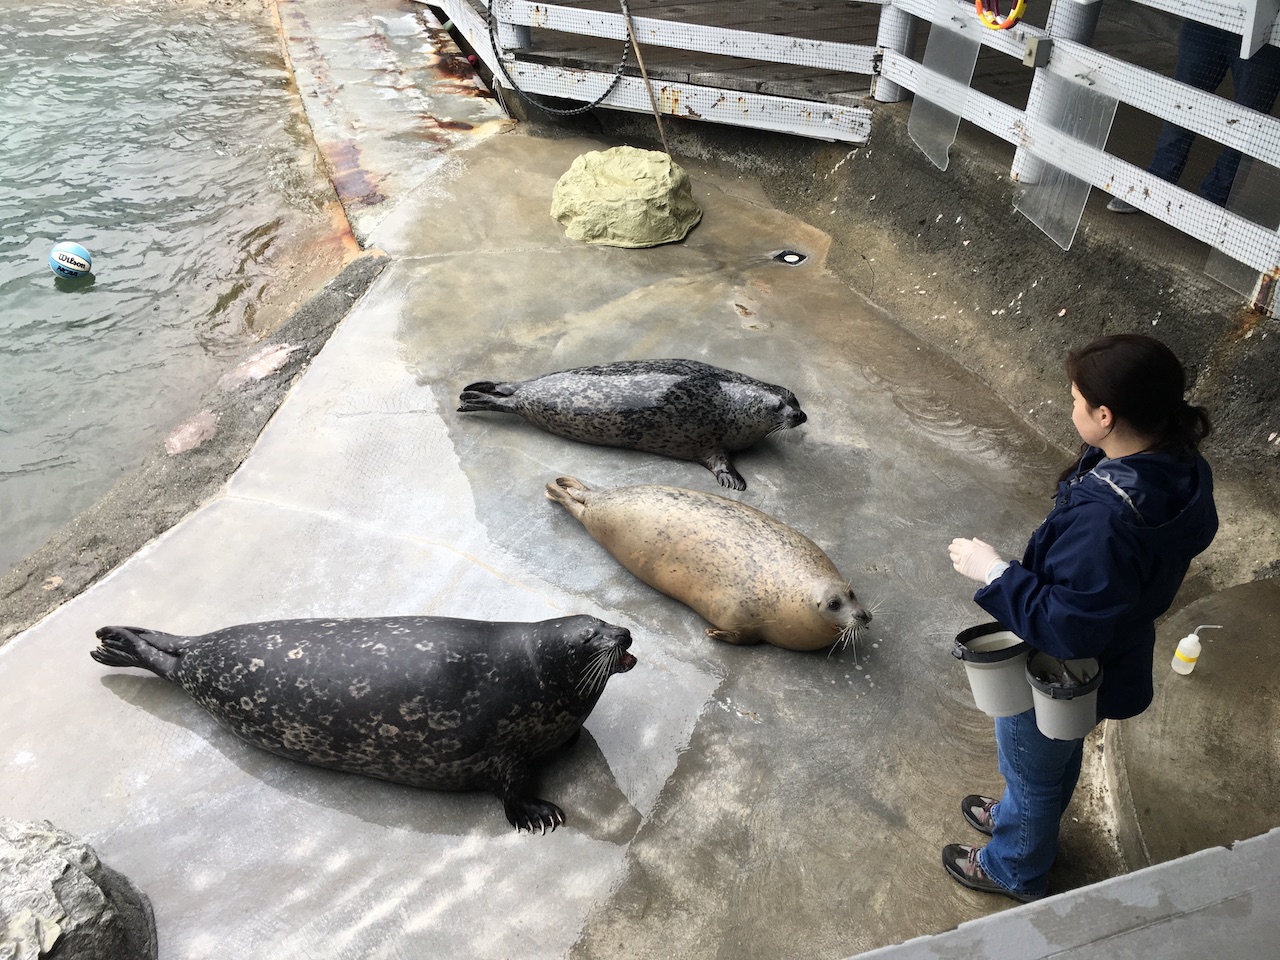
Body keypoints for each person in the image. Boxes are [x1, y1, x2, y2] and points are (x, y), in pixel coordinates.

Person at [941, 334, 1219, 902]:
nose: (1070, 408)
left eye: (1075, 399)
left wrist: (993, 572)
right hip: (1115, 652)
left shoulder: (1107, 522)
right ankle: (1024, 816)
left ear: (1105, 414)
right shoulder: (1176, 464)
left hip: (1058, 668)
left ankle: (1014, 865)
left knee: (1029, 767)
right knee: (1056, 752)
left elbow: (1068, 626)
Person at [1108, 21, 1280, 213]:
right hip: (1209, 14)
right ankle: (1156, 183)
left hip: (1268, 25)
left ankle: (1213, 200)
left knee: (1250, 120)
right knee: (1182, 102)